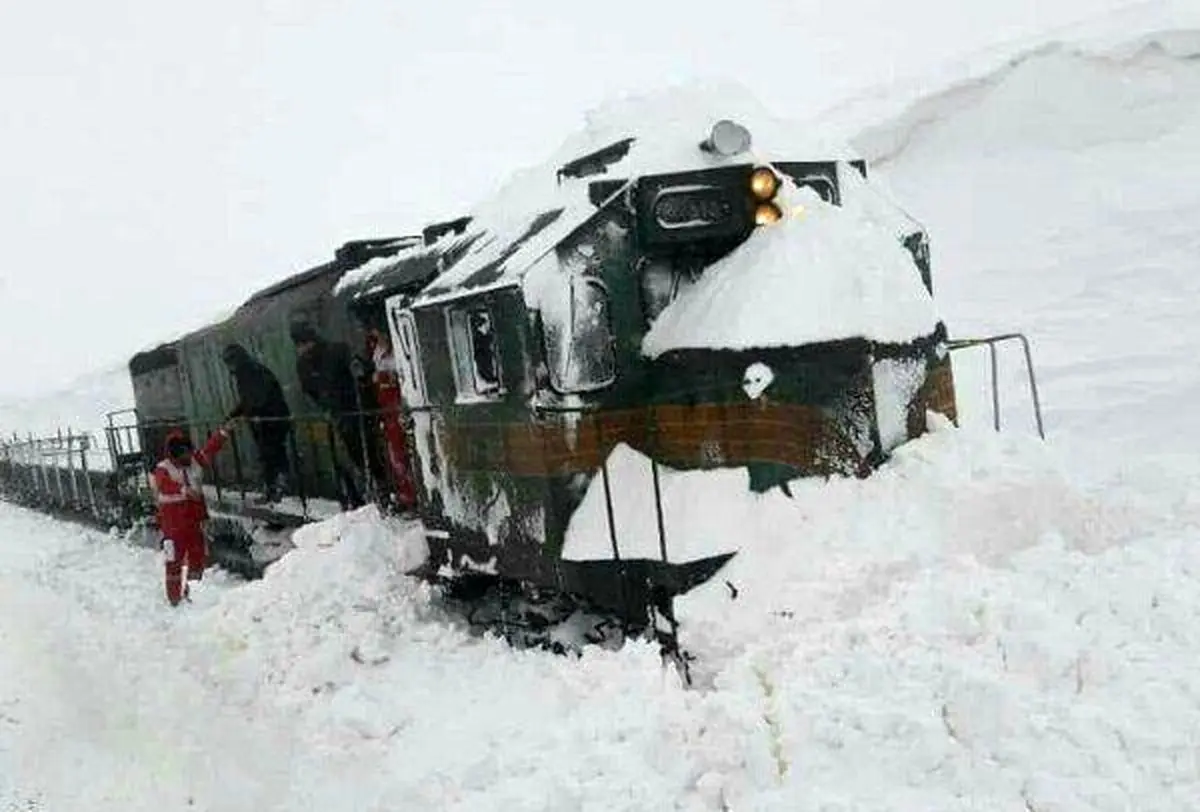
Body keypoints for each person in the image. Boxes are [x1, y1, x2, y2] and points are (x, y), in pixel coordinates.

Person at [289, 321, 387, 508]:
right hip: (339, 414)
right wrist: (328, 404)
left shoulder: (336, 351)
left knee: (367, 450)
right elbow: (309, 389)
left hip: (357, 409)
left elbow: (359, 371)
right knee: (349, 455)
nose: (301, 349)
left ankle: (378, 488)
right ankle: (361, 494)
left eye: (302, 344)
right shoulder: (305, 364)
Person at [149, 424, 236, 606]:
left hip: (193, 522)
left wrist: (223, 432)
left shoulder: (196, 460)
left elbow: (210, 449)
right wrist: (184, 490)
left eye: (188, 451)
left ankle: (193, 594)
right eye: (183, 454)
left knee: (197, 558)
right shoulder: (162, 469)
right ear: (173, 454)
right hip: (172, 526)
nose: (188, 456)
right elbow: (164, 485)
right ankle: (174, 599)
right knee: (173, 562)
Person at [220, 343, 292, 503]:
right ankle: (273, 489)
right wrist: (235, 414)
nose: (229, 367)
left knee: (272, 454)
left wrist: (250, 413)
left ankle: (277, 487)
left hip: (271, 419)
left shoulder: (252, 372)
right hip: (265, 420)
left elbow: (259, 398)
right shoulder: (246, 372)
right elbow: (248, 400)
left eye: (230, 362)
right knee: (269, 455)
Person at [366, 326, 417, 511]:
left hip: (397, 406)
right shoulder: (376, 351)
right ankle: (405, 493)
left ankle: (411, 493)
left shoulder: (396, 351)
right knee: (395, 454)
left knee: (403, 452)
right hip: (387, 409)